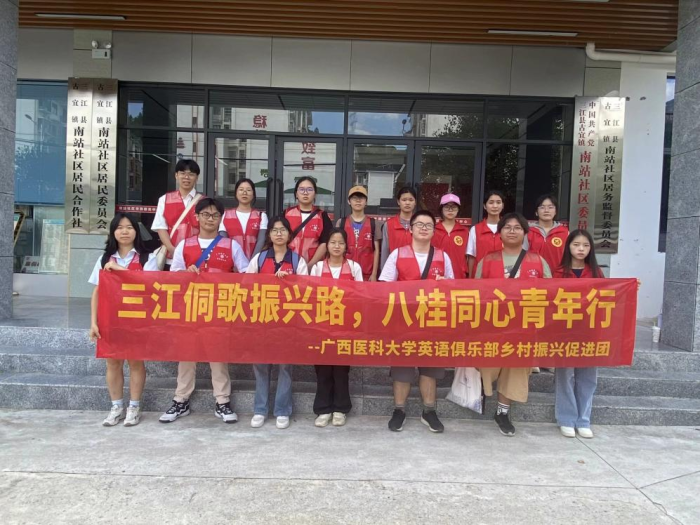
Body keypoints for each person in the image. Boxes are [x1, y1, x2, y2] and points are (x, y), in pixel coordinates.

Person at [159, 197, 249, 425]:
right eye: (206, 214)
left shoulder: (231, 246)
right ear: (197, 217)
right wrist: (185, 274)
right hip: (190, 309)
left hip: (219, 310)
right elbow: (173, 277)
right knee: (186, 355)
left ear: (221, 219)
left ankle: (222, 401)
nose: (210, 219)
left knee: (218, 356)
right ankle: (181, 399)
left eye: (215, 215)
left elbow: (247, 276)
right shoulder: (184, 245)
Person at [474, 212, 551, 437]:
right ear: (499, 233)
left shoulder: (537, 261)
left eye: (517, 227)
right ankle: (482, 392)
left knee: (515, 369)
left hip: (524, 327)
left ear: (525, 233)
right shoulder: (487, 260)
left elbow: (551, 293)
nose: (512, 231)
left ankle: (503, 412)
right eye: (507, 227)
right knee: (488, 365)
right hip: (492, 326)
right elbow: (474, 294)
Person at [379, 210, 454, 433]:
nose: (423, 228)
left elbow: (453, 290)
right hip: (404, 321)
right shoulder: (397, 254)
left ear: (434, 230)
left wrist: (444, 284)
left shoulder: (443, 256)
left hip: (432, 321)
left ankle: (429, 411)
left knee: (430, 369)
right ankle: (399, 410)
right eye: (419, 224)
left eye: (428, 225)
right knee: (402, 369)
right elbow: (385, 287)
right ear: (410, 229)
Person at [89, 213, 159, 427]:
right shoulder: (104, 259)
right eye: (119, 227)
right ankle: (116, 406)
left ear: (136, 231)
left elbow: (150, 285)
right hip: (110, 319)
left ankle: (134, 407)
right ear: (113, 232)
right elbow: (97, 292)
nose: (125, 231)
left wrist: (119, 270)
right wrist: (93, 322)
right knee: (113, 362)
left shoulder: (147, 258)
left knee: (136, 362)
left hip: (137, 319)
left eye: (129, 227)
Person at [246, 216, 309, 429]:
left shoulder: (298, 261)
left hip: (288, 322)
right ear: (269, 234)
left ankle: (282, 410)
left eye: (283, 230)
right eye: (275, 230)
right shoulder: (259, 259)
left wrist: (289, 283)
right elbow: (246, 287)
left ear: (289, 234)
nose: (279, 234)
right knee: (261, 366)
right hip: (262, 320)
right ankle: (260, 409)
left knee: (285, 367)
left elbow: (306, 291)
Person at [309, 228, 363, 428]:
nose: (337, 246)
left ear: (346, 246)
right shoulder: (317, 268)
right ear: (327, 245)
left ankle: (340, 408)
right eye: (333, 242)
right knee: (322, 370)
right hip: (321, 326)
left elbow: (361, 296)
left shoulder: (354, 267)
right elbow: (311, 296)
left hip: (345, 327)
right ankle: (323, 409)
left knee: (341, 370)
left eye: (340, 242)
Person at [554, 229, 604, 439]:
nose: (581, 249)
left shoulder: (596, 272)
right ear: (568, 247)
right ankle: (566, 419)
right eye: (576, 245)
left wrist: (631, 288)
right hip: (564, 331)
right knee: (565, 375)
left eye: (585, 245)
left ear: (590, 248)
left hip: (589, 331)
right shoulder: (559, 272)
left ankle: (583, 420)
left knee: (588, 376)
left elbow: (609, 297)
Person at [151, 159, 203, 268]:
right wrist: (172, 250)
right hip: (171, 258)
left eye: (191, 174)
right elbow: (161, 228)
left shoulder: (204, 201)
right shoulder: (165, 199)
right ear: (176, 175)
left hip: (197, 259)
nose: (186, 177)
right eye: (182, 173)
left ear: (197, 178)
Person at [284, 176, 333, 269]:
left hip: (314, 267)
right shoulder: (286, 214)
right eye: (301, 189)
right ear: (296, 194)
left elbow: (325, 242)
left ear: (315, 194)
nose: (305, 193)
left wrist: (310, 265)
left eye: (309, 189)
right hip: (288, 264)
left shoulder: (322, 216)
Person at [336, 185, 382, 281]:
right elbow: (337, 248)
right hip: (345, 272)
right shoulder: (341, 223)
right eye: (354, 198)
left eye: (361, 198)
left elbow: (376, 250)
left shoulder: (373, 223)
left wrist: (374, 274)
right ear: (349, 201)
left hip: (367, 274)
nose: (358, 201)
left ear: (366, 202)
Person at [219, 178, 268, 261]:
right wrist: (235, 262)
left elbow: (261, 240)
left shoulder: (261, 216)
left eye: (248, 190)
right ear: (236, 193)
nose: (244, 193)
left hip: (254, 263)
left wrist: (252, 263)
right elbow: (223, 241)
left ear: (253, 194)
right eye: (241, 190)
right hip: (232, 263)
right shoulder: (225, 215)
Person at [527, 194, 569, 273]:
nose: (546, 210)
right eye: (542, 207)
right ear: (536, 212)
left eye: (550, 207)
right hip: (533, 275)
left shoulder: (565, 232)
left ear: (555, 211)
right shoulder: (528, 232)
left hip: (558, 276)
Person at [467, 190, 505, 278]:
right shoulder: (475, 229)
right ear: (485, 206)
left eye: (498, 202)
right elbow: (471, 256)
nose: (495, 206)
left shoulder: (508, 228)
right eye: (491, 202)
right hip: (481, 276)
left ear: (502, 205)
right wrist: (470, 279)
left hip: (504, 275)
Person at [432, 193, 469, 279]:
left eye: (454, 207)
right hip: (438, 275)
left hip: (459, 275)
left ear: (458, 209)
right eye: (447, 207)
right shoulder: (433, 230)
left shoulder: (464, 231)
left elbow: (468, 256)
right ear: (441, 209)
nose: (450, 210)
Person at [380, 186, 417, 269]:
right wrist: (384, 271)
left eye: (411, 200)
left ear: (415, 202)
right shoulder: (389, 224)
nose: (407, 203)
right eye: (404, 200)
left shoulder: (420, 224)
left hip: (416, 269)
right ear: (398, 202)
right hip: (394, 269)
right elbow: (385, 250)